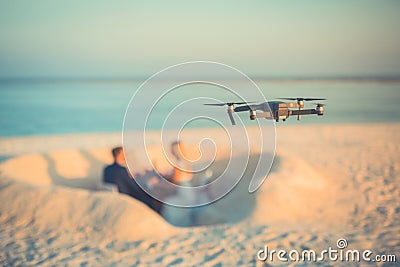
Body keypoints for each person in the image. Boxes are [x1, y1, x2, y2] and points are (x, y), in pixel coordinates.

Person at [103, 146, 162, 213]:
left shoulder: (107, 168)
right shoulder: (121, 170)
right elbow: (134, 187)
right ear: (119, 155)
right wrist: (147, 185)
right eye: (124, 153)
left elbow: (119, 180)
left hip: (115, 195)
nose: (126, 155)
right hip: (127, 196)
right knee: (150, 196)